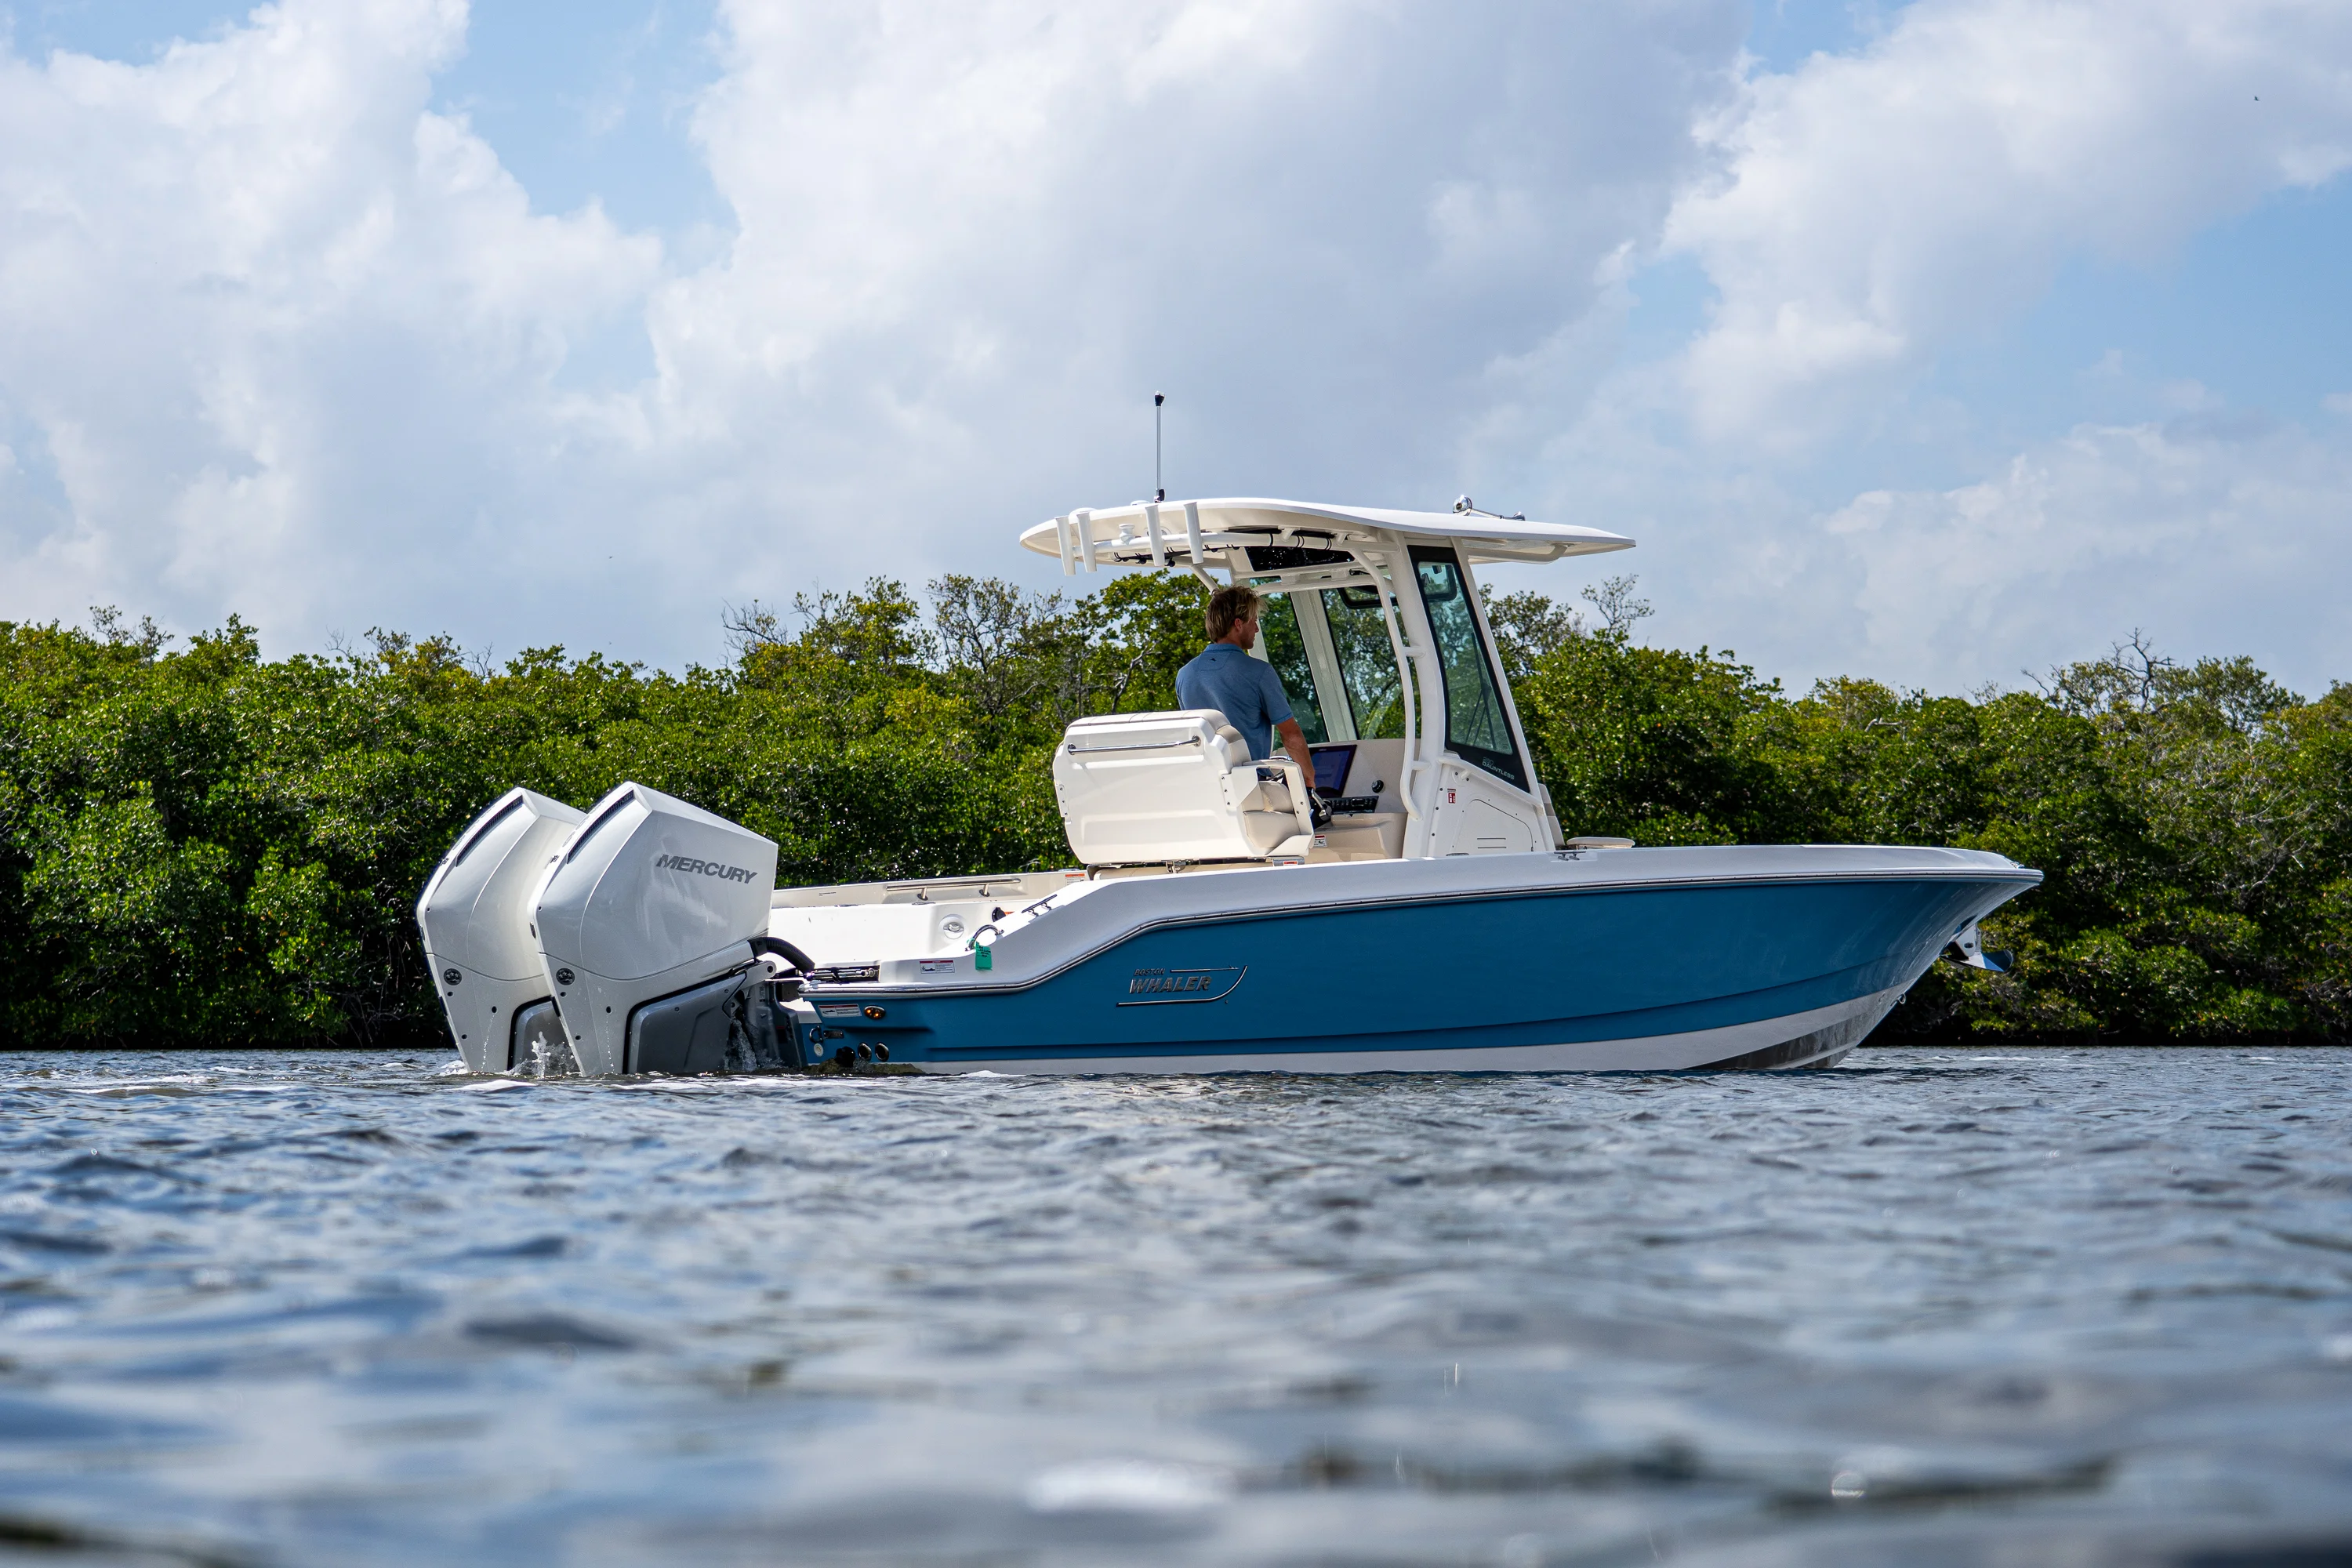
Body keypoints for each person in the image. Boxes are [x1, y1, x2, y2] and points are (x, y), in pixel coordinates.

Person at [1175, 585, 1321, 801]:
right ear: (1238, 624)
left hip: (1210, 794)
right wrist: (1309, 783)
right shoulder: (1259, 672)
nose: (1256, 629)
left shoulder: (1184, 676)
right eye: (1253, 621)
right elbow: (1290, 735)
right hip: (1253, 793)